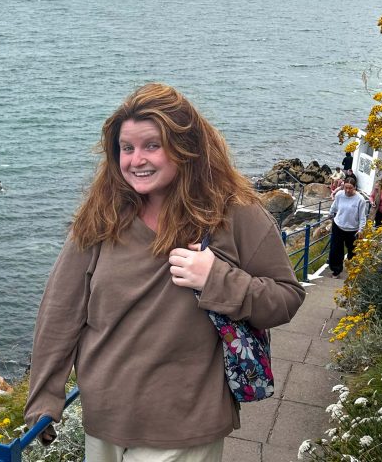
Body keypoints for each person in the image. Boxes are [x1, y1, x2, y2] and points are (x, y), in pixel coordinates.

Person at [24, 83, 305, 461]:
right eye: (127, 148)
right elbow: (61, 312)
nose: (136, 159)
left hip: (186, 424)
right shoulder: (101, 218)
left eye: (152, 145)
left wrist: (218, 279)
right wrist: (44, 398)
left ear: (186, 147)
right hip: (105, 419)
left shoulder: (234, 214)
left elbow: (286, 298)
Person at [327, 176, 367, 277]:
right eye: (346, 188)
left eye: (350, 188)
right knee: (336, 250)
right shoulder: (339, 195)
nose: (348, 190)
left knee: (352, 251)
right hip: (338, 225)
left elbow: (362, 217)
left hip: (353, 229)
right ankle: (336, 270)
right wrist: (330, 214)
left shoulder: (360, 200)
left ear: (355, 188)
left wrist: (361, 229)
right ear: (343, 187)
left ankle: (352, 270)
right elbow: (335, 206)